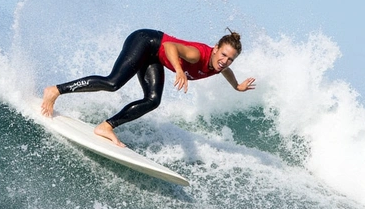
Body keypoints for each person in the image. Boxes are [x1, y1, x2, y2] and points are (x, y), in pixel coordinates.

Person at [41, 28, 256, 147]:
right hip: (145, 41)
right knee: (113, 82)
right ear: (216, 48)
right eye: (223, 55)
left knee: (153, 100)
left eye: (231, 59)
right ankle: (56, 90)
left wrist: (237, 86)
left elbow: (225, 71)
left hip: (154, 57)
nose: (226, 61)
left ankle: (106, 126)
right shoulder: (198, 54)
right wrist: (180, 71)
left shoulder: (219, 66)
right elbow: (170, 46)